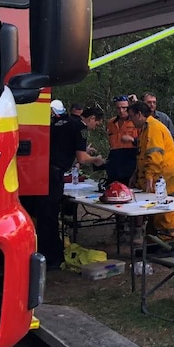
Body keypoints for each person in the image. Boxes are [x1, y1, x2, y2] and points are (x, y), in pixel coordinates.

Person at [44, 106, 106, 269]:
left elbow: (62, 145)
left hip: (43, 168)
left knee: (44, 214)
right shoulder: (81, 127)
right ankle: (53, 257)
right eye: (97, 124)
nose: (95, 127)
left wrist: (83, 150)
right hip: (54, 173)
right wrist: (96, 159)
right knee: (51, 214)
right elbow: (82, 159)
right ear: (91, 118)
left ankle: (46, 252)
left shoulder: (63, 121)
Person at [128, 101, 174, 238]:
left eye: (131, 116)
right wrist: (136, 174)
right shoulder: (146, 128)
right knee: (156, 212)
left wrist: (148, 176)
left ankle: (168, 242)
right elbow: (142, 155)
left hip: (165, 177)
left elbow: (154, 155)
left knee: (165, 212)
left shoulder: (153, 128)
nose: (130, 120)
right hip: (159, 177)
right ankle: (156, 241)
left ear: (139, 114)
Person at [106, 95, 139, 185]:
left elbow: (145, 141)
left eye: (124, 108)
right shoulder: (111, 123)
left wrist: (132, 139)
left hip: (131, 159)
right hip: (115, 161)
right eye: (118, 108)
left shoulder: (135, 121)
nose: (121, 111)